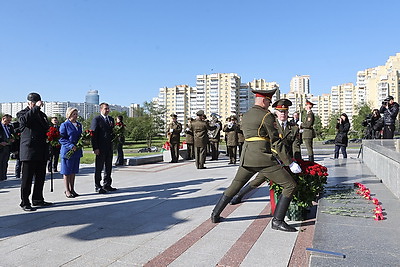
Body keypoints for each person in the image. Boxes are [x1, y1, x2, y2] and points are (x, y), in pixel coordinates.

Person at [211, 89, 302, 232]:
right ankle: (277, 221)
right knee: (290, 185)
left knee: (235, 186)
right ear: (264, 100)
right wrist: (289, 162)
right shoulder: (267, 116)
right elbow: (276, 141)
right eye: (269, 101)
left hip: (247, 157)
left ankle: (215, 214)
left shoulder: (246, 115)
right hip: (263, 158)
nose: (269, 104)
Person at [230, 99, 301, 205]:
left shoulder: (293, 128)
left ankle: (293, 203)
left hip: (286, 159)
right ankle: (239, 195)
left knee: (291, 182)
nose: (283, 114)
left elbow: (296, 146)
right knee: (257, 180)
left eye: (285, 111)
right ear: (276, 112)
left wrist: (297, 161)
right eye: (281, 111)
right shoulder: (270, 123)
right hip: (270, 159)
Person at [17, 92, 53, 211]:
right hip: (29, 151)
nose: (35, 105)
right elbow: (24, 121)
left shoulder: (41, 115)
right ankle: (25, 201)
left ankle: (37, 199)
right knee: (27, 179)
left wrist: (52, 136)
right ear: (28, 103)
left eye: (37, 103)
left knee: (40, 177)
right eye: (32, 103)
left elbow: (46, 128)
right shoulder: (22, 113)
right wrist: (35, 108)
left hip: (41, 150)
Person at [91, 102, 117, 194]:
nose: (107, 110)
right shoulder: (96, 119)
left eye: (108, 108)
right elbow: (93, 135)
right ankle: (97, 186)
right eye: (106, 108)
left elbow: (112, 132)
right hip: (100, 148)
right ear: (101, 109)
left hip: (109, 147)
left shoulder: (110, 119)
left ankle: (107, 184)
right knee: (99, 167)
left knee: (108, 167)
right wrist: (95, 148)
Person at [59, 108, 83, 198]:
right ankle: (67, 190)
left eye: (76, 114)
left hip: (76, 151)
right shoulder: (64, 125)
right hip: (67, 151)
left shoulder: (79, 125)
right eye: (74, 114)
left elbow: (80, 136)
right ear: (69, 115)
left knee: (73, 172)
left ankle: (72, 188)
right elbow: (61, 138)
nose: (76, 116)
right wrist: (70, 145)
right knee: (67, 172)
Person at [0, 114, 15, 181]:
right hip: (1, 147)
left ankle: (3, 176)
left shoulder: (9, 126)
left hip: (7, 147)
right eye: (8, 120)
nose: (9, 122)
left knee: (5, 162)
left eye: (10, 121)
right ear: (3, 119)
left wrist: (12, 138)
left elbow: (12, 134)